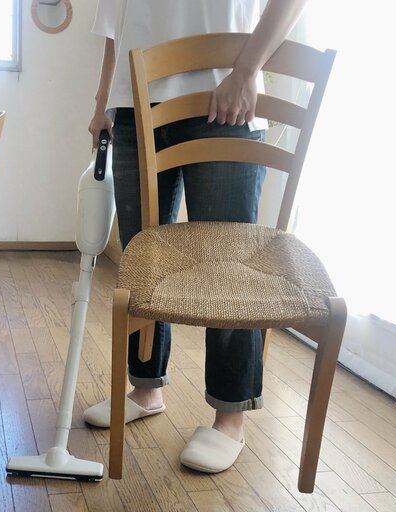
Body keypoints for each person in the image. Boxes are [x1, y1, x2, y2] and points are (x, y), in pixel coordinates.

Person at [84, 0, 309, 474]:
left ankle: (230, 417)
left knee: (229, 267)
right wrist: (103, 102)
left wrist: (247, 70)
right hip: (133, 103)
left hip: (223, 91)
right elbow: (113, 21)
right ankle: (146, 388)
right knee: (144, 259)